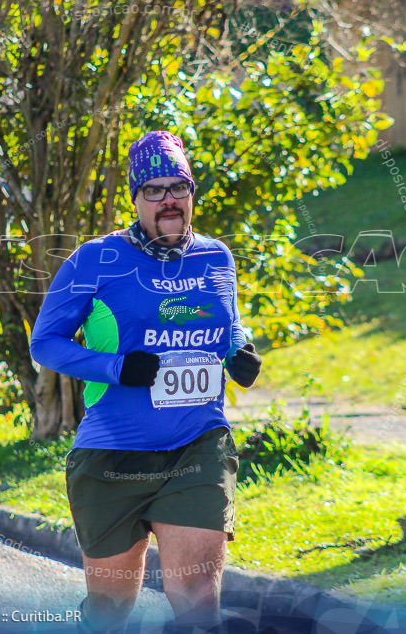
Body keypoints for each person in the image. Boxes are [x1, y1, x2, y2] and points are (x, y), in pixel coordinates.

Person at [30, 131, 262, 632]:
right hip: (113, 453)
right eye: (153, 190)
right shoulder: (95, 260)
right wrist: (115, 369)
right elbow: (45, 342)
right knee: (112, 610)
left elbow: (227, 325)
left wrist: (240, 352)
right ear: (135, 199)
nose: (168, 199)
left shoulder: (216, 257)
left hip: (196, 446)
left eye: (178, 186)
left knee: (199, 598)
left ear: (192, 193)